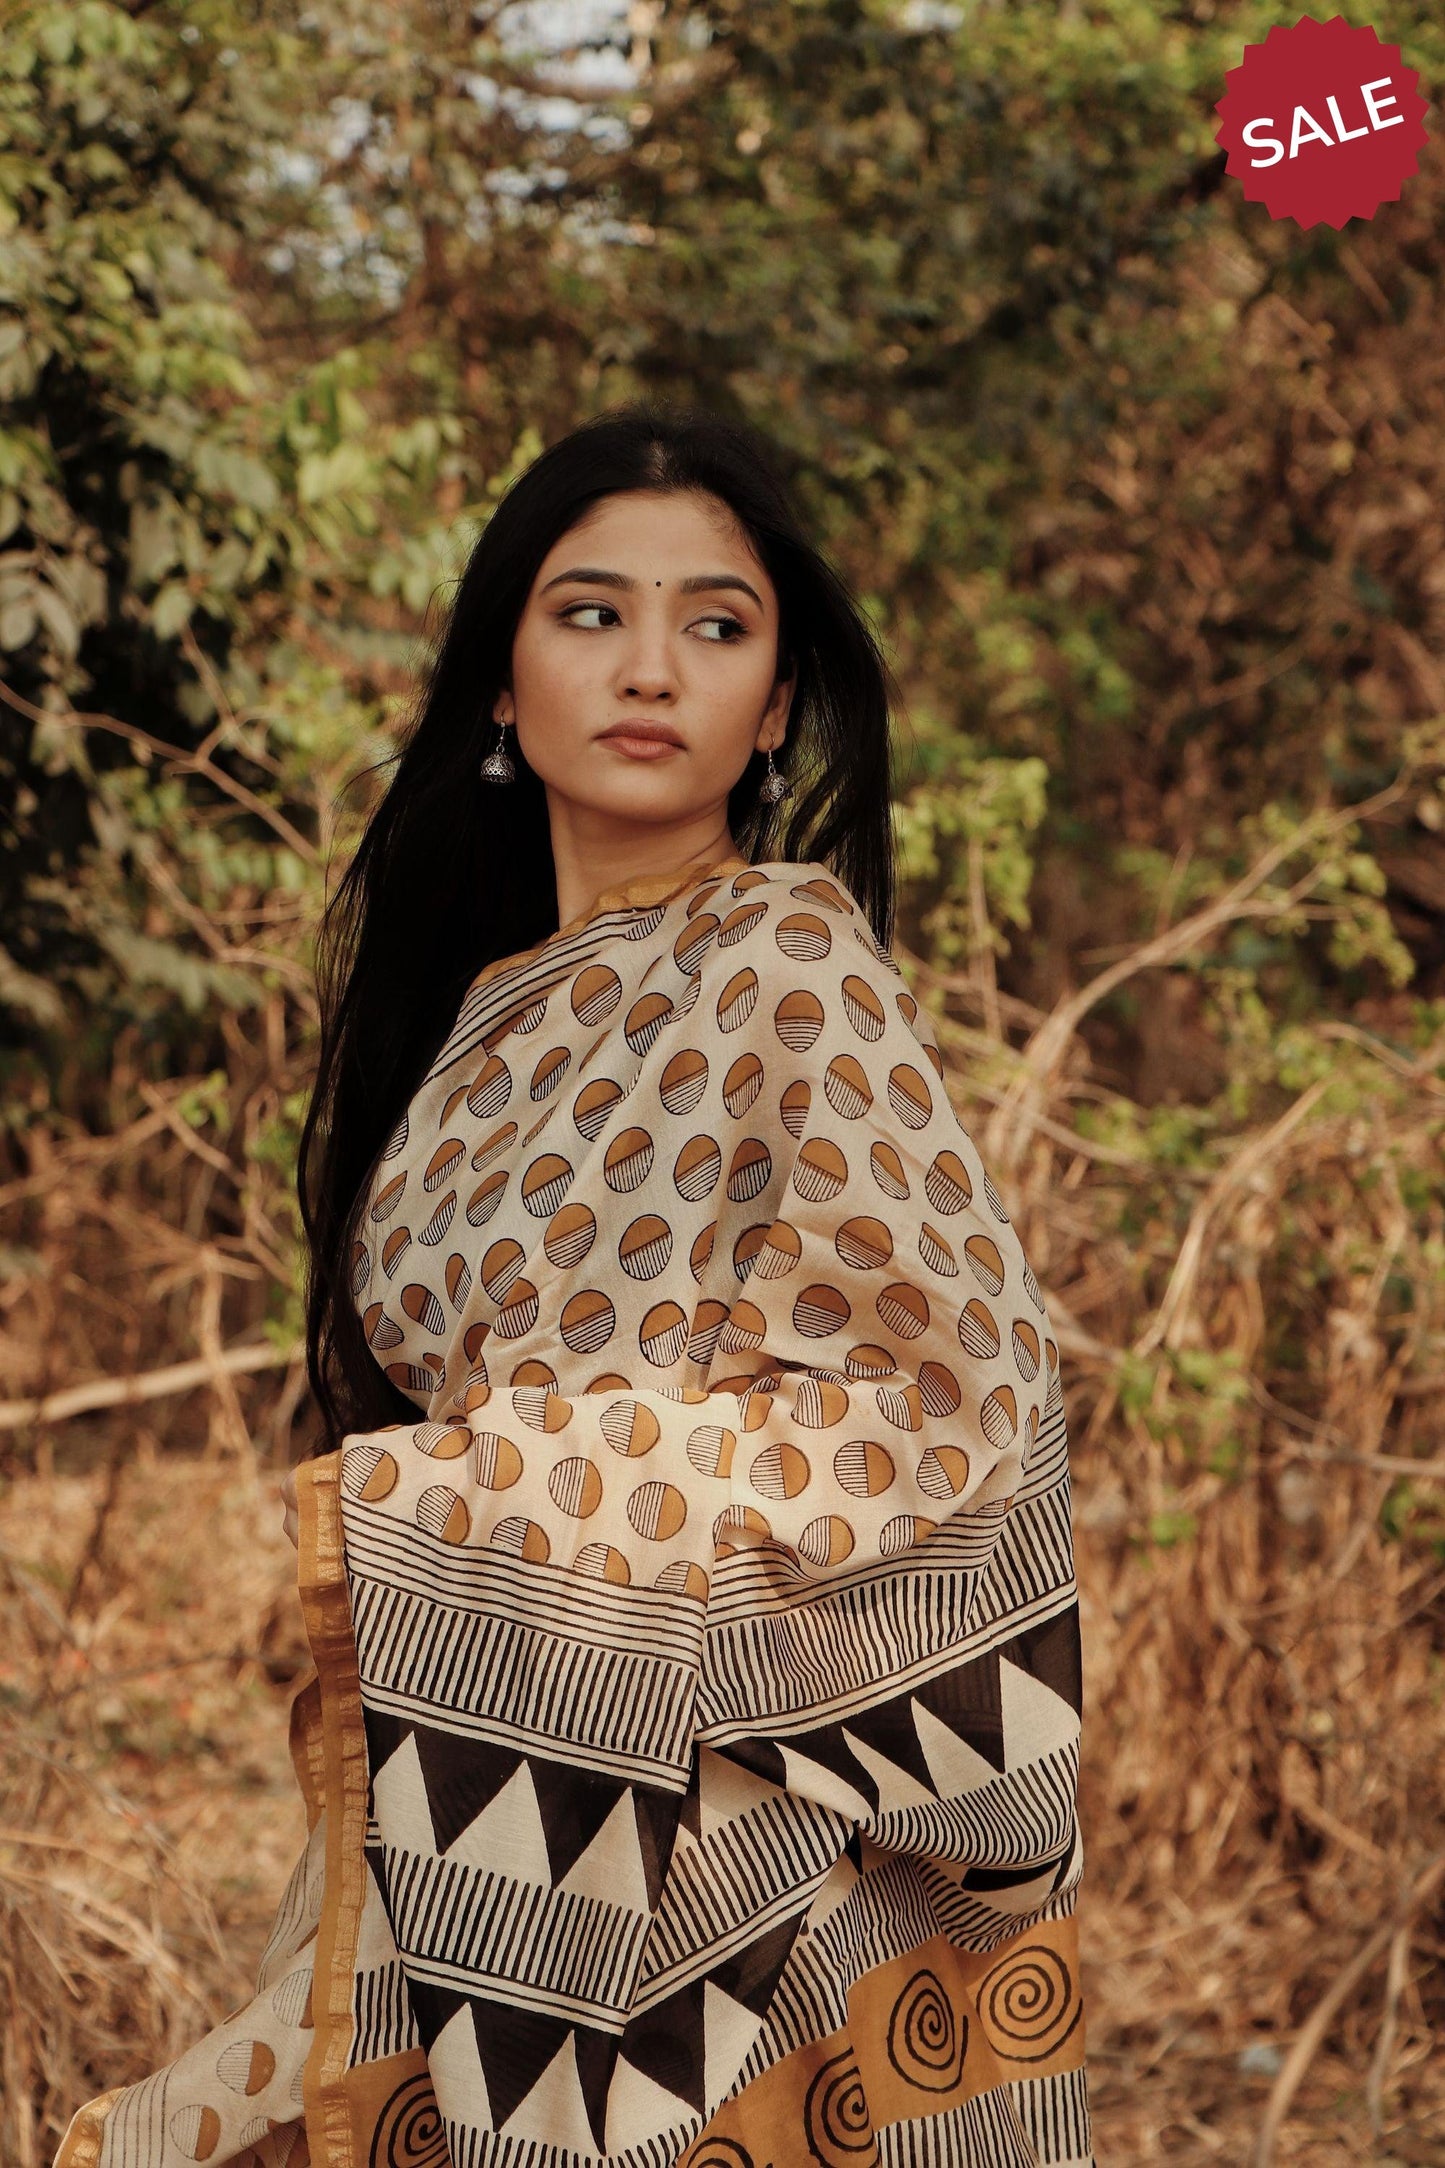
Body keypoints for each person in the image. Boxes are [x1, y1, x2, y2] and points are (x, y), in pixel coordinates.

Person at [56, 405, 1092, 2168]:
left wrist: (503, 1498)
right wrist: (466, 1519)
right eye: (591, 612)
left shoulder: (790, 964)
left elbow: (951, 1421)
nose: (649, 667)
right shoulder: (471, 1031)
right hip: (471, 1791)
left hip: (742, 1836)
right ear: (500, 681)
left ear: (774, 706)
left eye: (715, 625)